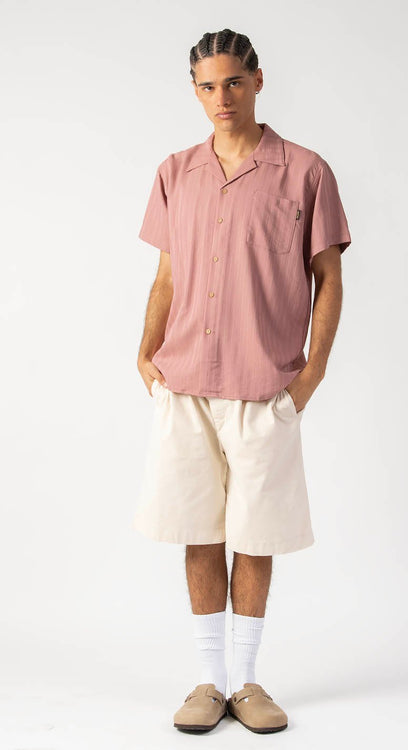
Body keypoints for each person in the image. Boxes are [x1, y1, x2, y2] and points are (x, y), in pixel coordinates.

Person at [134, 28, 351, 734]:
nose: (221, 97)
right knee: (198, 530)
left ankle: (249, 682)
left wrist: (312, 373)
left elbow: (328, 277)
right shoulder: (175, 172)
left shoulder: (306, 172)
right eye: (207, 86)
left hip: (266, 386)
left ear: (258, 80)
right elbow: (167, 275)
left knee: (255, 535)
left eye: (233, 82)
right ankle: (211, 681)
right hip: (185, 383)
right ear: (194, 92)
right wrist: (145, 354)